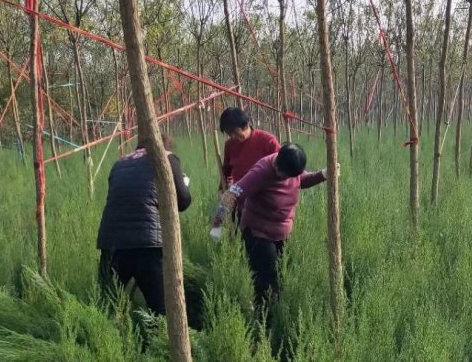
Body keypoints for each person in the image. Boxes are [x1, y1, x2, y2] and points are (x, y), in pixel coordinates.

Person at [211, 143, 326, 303]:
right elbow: (231, 194)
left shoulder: (291, 167)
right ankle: (264, 320)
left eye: (289, 176)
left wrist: (324, 174)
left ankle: (274, 312)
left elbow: (302, 180)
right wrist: (217, 224)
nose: (285, 178)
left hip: (281, 232)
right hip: (259, 233)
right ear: (278, 163)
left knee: (280, 275)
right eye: (283, 174)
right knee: (267, 282)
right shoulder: (261, 172)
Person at [97, 130, 191, 315]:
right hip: (148, 244)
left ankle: (101, 341)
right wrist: (185, 184)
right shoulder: (167, 159)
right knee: (159, 308)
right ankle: (159, 342)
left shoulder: (120, 163)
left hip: (112, 242)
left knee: (106, 304)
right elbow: (183, 201)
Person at [219, 107, 281, 190]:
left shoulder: (268, 141)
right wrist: (222, 189)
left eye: (235, 132)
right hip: (240, 194)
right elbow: (226, 171)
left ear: (245, 125)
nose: (233, 136)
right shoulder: (230, 145)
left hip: (266, 194)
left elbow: (284, 166)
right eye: (229, 133)